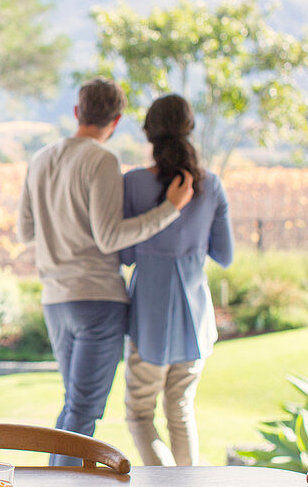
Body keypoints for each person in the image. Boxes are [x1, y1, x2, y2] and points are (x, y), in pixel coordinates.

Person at [17, 78, 194, 466]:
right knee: (83, 413)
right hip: (97, 300)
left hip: (55, 301)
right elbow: (111, 236)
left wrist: (60, 226)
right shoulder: (102, 160)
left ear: (78, 112)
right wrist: (171, 208)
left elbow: (26, 231)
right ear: (115, 120)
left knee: (74, 408)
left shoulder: (40, 158)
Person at [120, 93, 234, 466]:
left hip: (148, 319)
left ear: (149, 134)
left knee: (139, 415)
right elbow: (225, 255)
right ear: (190, 130)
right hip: (194, 320)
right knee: (181, 413)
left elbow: (123, 255)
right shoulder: (211, 186)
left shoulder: (133, 184)